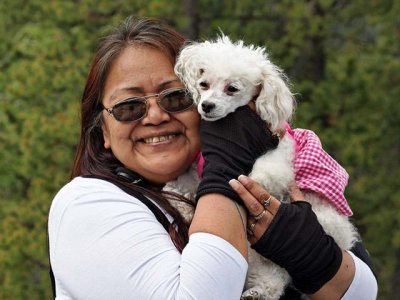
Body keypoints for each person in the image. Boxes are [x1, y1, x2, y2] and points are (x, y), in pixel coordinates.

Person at [48, 16, 377, 299]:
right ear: (103, 130)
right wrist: (224, 168)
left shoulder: (290, 173)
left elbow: (365, 292)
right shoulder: (87, 203)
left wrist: (313, 255)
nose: (155, 116)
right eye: (129, 106)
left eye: (176, 97)